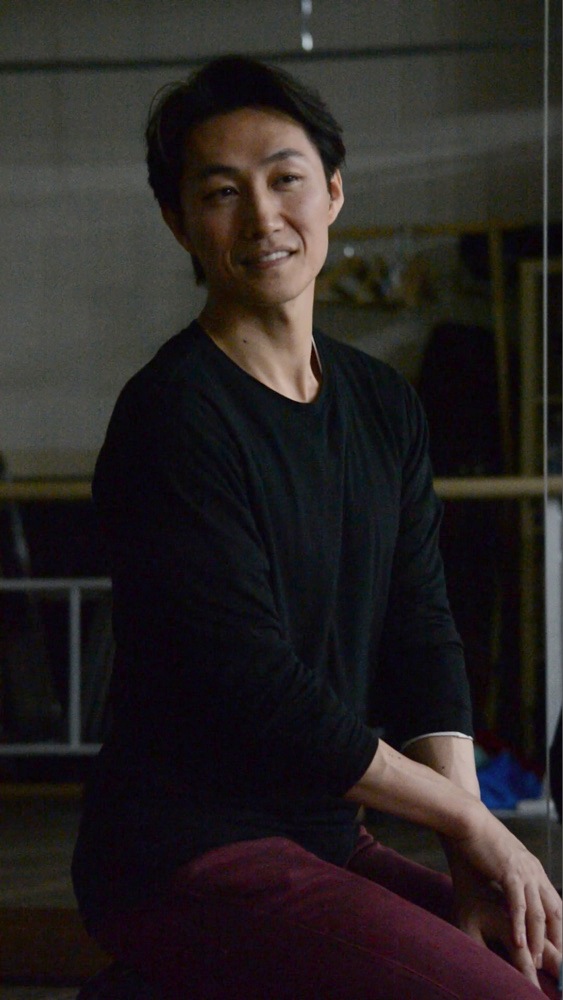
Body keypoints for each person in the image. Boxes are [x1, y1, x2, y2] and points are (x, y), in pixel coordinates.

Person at [72, 55, 561, 999]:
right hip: (182, 851)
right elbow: (256, 689)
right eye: (221, 192)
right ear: (178, 221)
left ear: (332, 191)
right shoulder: (172, 416)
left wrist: (470, 844)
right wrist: (470, 824)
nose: (262, 217)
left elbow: (420, 632)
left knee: (542, 969)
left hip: (325, 838)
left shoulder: (380, 402)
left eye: (284, 179)